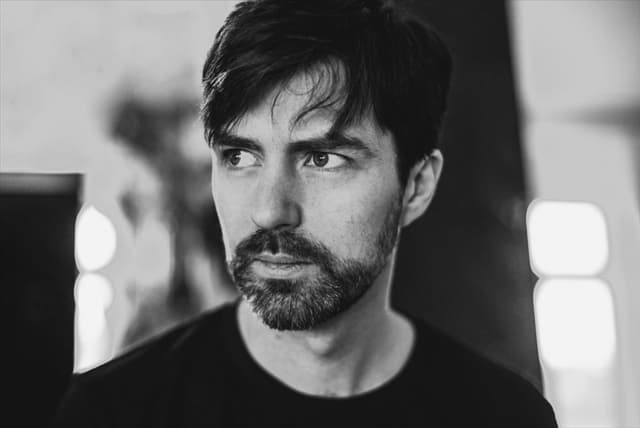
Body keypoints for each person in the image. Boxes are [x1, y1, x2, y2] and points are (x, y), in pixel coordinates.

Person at [52, 0, 558, 426]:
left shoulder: (505, 416)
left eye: (322, 159)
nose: (269, 211)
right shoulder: (112, 412)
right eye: (239, 156)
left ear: (417, 186)